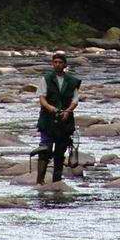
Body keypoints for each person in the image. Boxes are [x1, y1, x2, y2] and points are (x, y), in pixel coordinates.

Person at [36, 53, 81, 184]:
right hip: (47, 120)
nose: (57, 64)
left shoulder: (72, 81)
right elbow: (41, 98)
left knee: (60, 152)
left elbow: (75, 100)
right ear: (52, 64)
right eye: (55, 62)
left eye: (60, 62)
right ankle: (40, 181)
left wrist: (68, 111)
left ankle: (57, 181)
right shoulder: (46, 79)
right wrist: (50, 108)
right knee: (44, 149)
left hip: (65, 122)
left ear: (65, 65)